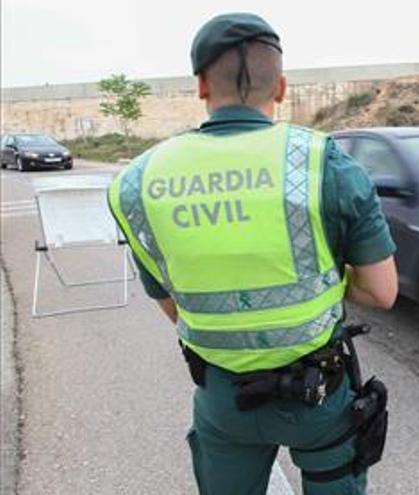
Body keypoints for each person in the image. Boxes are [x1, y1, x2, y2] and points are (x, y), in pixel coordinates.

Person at [107, 13, 398, 495]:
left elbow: (173, 305)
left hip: (224, 399)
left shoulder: (139, 185)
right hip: (319, 396)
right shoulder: (326, 165)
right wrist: (324, 278)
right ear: (280, 87)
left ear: (201, 85)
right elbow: (383, 291)